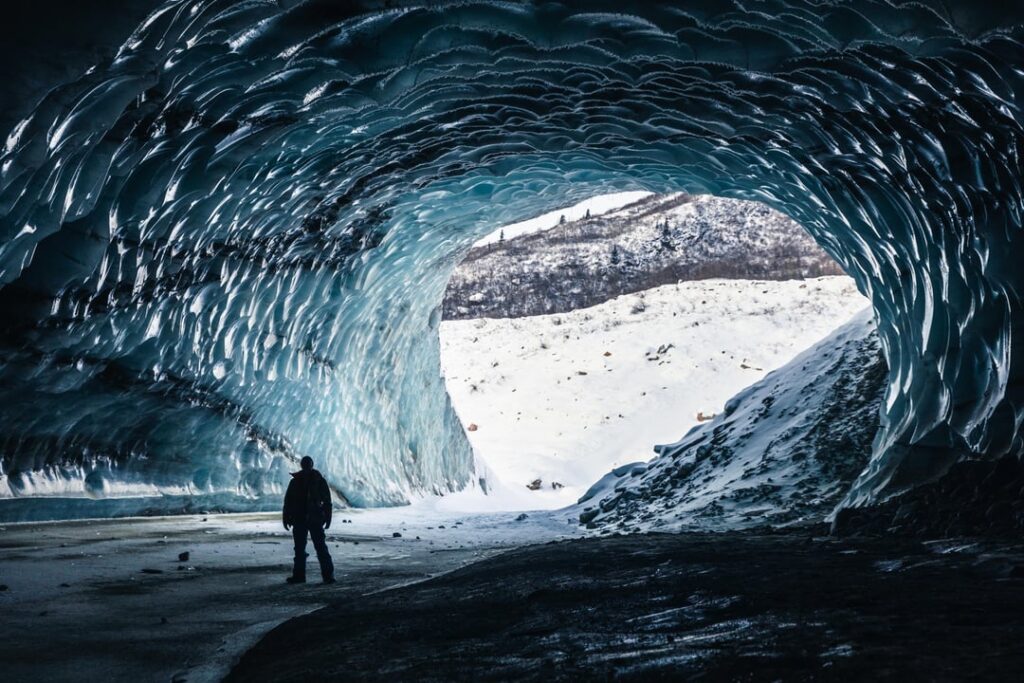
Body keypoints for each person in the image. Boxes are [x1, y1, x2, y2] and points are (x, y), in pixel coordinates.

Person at [282, 456, 335, 584]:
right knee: (300, 549)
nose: (306, 466)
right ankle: (301, 576)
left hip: (314, 519)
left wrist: (328, 517)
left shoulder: (318, 481)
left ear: (311, 465)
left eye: (308, 464)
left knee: (319, 548)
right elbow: (288, 501)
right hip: (301, 519)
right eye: (304, 464)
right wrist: (286, 516)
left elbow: (327, 501)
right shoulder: (295, 482)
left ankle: (328, 576)